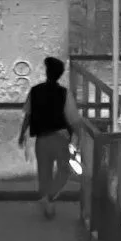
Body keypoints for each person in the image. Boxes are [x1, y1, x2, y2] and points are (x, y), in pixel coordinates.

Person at [19, 54, 82, 219]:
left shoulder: (35, 91)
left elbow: (28, 115)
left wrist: (22, 134)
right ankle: (50, 197)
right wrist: (78, 136)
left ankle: (47, 203)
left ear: (46, 72)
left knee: (44, 173)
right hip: (60, 137)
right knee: (64, 170)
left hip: (41, 138)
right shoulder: (64, 93)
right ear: (60, 74)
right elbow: (73, 119)